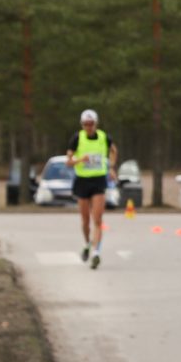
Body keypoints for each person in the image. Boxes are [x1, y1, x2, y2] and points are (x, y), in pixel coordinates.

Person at [66, 109, 117, 270]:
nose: (88, 127)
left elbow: (114, 151)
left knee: (98, 219)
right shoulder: (77, 138)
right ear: (82, 125)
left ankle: (96, 252)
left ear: (96, 124)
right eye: (85, 124)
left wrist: (111, 167)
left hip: (98, 180)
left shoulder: (104, 137)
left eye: (91, 124)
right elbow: (68, 161)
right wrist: (81, 159)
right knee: (85, 220)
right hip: (82, 181)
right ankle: (87, 243)